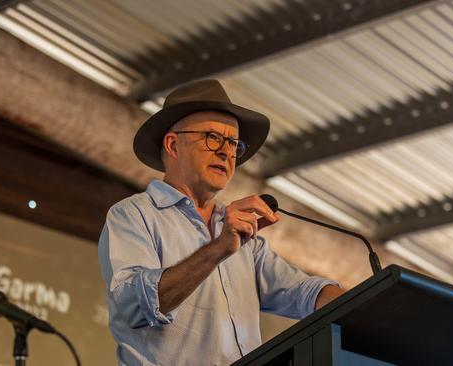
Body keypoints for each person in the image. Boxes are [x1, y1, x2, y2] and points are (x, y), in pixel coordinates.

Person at [98, 79, 344, 365]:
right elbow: (135, 307)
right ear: (173, 144)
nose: (226, 151)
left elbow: (306, 293)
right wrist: (218, 249)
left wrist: (374, 307)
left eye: (233, 143)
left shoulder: (244, 239)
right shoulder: (133, 215)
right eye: (212, 137)